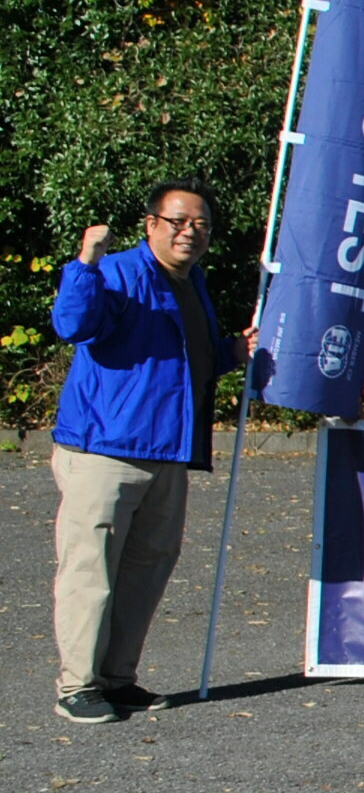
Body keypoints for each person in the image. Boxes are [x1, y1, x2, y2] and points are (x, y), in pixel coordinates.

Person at [46, 185, 253, 723]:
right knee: (91, 572)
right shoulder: (116, 272)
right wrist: (85, 262)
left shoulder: (191, 284)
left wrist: (233, 351)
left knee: (145, 572)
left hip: (165, 452)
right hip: (104, 449)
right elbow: (73, 325)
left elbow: (189, 362)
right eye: (179, 221)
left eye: (201, 224)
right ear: (151, 223)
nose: (190, 231)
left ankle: (117, 678)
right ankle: (78, 685)